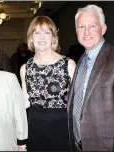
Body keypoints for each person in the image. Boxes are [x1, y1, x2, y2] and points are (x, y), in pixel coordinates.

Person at [67, 4, 114, 151]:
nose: (86, 32)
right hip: (78, 146)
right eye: (81, 27)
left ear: (103, 29)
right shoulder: (81, 60)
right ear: (76, 31)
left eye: (92, 26)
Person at [20, 16, 76, 151]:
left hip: (63, 131)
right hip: (35, 130)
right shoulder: (25, 68)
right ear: (31, 38)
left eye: (47, 32)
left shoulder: (68, 65)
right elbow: (24, 103)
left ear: (53, 37)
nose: (42, 37)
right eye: (37, 33)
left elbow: (77, 105)